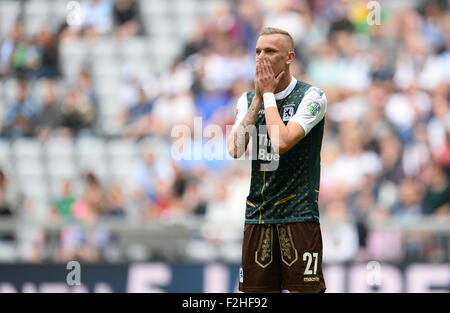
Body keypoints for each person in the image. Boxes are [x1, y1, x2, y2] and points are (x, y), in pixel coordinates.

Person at [227, 27, 327, 293]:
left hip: (298, 214)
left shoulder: (312, 96)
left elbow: (281, 142)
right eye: (258, 51)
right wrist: (258, 100)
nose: (261, 57)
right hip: (258, 215)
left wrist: (269, 95)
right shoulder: (248, 99)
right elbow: (235, 149)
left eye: (270, 51)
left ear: (289, 57)